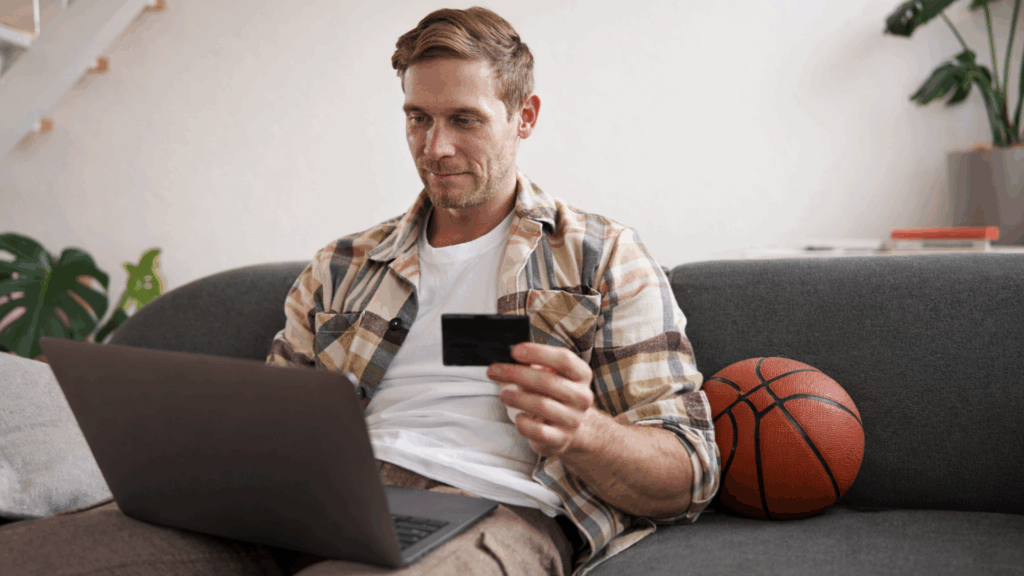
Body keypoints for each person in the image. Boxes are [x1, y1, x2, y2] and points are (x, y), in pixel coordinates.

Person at [0, 7, 718, 576]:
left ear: (524, 117)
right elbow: (267, 431)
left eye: (464, 120)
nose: (435, 147)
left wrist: (584, 431)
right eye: (418, 118)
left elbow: (690, 471)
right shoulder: (342, 265)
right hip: (312, 504)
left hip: (492, 508)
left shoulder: (601, 256)